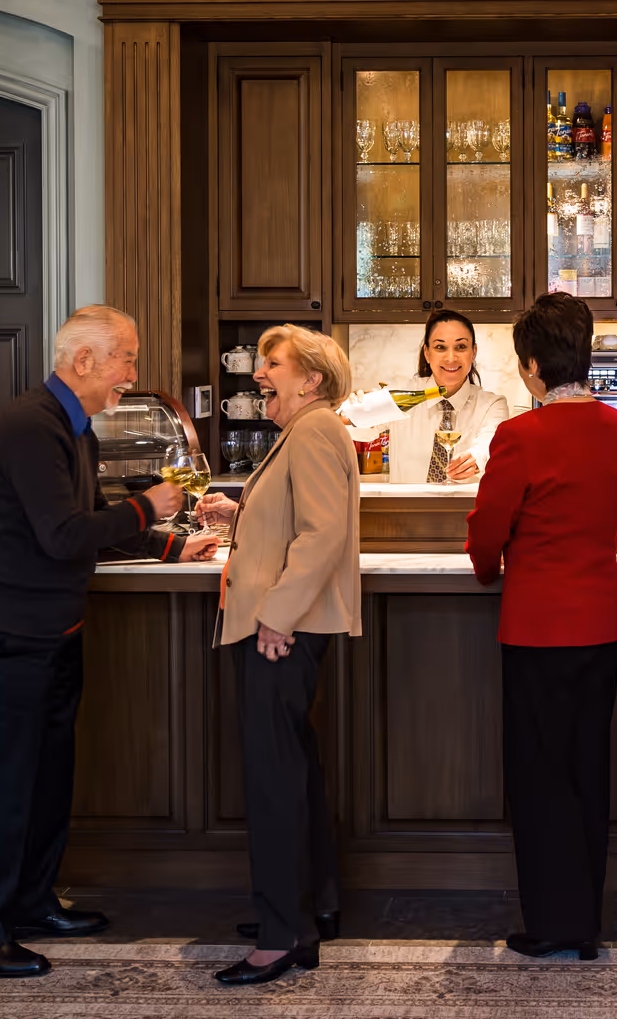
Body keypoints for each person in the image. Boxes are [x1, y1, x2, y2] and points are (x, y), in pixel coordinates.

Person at [0, 305, 219, 979]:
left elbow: (91, 522)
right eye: (125, 357)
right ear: (84, 361)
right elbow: (62, 535)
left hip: (50, 631)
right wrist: (148, 508)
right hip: (2, 634)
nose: (132, 372)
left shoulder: (74, 428)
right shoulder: (30, 427)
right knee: (5, 790)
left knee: (46, 783)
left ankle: (32, 903)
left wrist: (171, 542)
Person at [465, 292, 617, 961]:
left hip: (537, 625)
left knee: (540, 778)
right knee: (588, 772)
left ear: (533, 367)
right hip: (601, 621)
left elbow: (488, 533)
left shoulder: (521, 435)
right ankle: (586, 925)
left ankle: (550, 923)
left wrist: (491, 569)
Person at [195, 324, 363, 987]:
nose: (259, 373)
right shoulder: (306, 431)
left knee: (274, 780)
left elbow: (323, 534)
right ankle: (309, 909)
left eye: (273, 363)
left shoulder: (317, 429)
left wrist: (276, 616)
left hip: (281, 630)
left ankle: (281, 935)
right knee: (293, 772)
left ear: (311, 378)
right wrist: (234, 515)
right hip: (284, 624)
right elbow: (295, 520)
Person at [384, 308, 512, 483]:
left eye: (461, 347)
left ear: (473, 352)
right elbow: (360, 430)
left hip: (465, 509)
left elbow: (488, 444)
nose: (451, 357)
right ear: (427, 353)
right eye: (440, 347)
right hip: (407, 508)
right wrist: (356, 410)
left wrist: (475, 459)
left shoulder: (492, 404)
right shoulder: (402, 394)